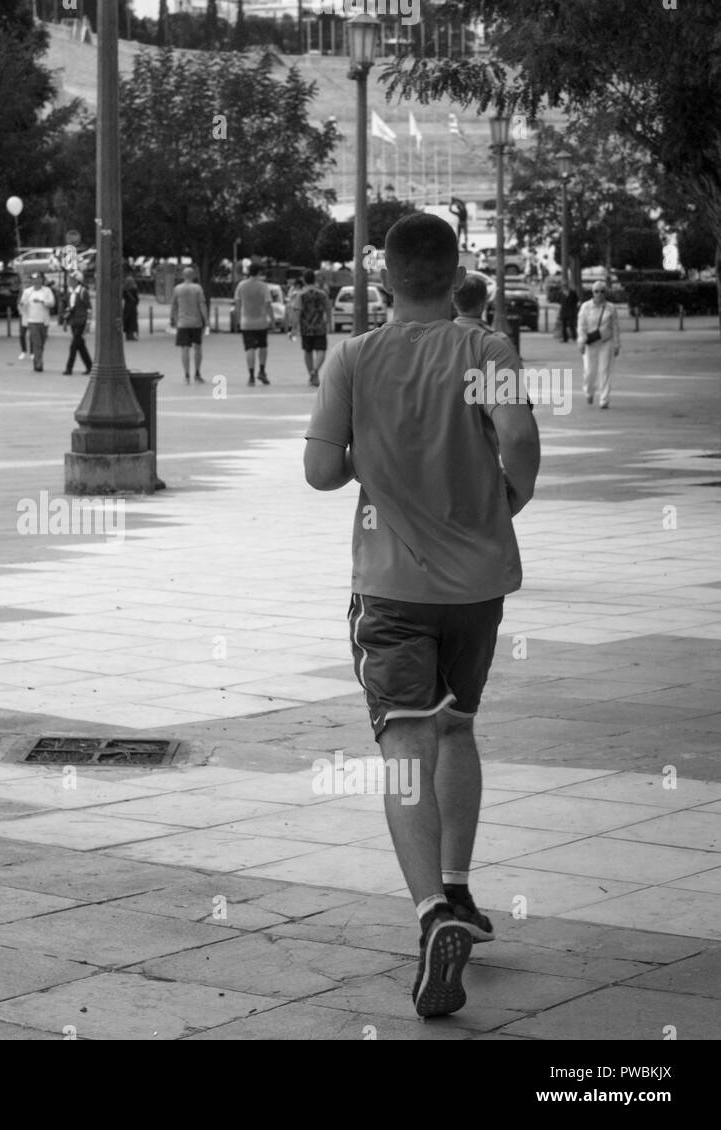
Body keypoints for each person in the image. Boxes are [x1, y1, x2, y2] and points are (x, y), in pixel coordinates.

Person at [303, 213, 541, 1019]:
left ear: (385, 275)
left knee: (405, 742)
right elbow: (520, 438)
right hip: (477, 583)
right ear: (454, 272)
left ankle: (431, 915)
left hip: (390, 585)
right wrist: (511, 498)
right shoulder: (487, 351)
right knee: (458, 728)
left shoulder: (355, 357)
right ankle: (460, 889)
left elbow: (318, 470)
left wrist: (368, 460)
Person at [577, 281, 620, 408]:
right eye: (596, 291)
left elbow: (615, 327)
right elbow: (581, 325)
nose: (599, 294)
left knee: (604, 371)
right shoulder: (585, 307)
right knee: (590, 372)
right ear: (592, 293)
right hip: (590, 343)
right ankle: (589, 391)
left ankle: (604, 399)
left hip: (606, 342)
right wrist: (581, 341)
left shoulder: (611, 308)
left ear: (605, 293)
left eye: (602, 291)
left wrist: (617, 344)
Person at [233, 262, 274, 386]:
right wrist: (271, 319)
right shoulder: (263, 286)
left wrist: (237, 320)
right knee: (263, 347)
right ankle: (262, 370)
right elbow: (268, 304)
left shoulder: (241, 285)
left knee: (249, 349)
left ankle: (251, 376)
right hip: (261, 322)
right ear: (259, 273)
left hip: (246, 322)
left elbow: (238, 304)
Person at [169, 266, 207, 384]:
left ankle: (186, 375)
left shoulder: (177, 289)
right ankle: (197, 373)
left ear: (183, 276)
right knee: (198, 348)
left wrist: (174, 319)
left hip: (183, 323)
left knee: (184, 349)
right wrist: (206, 320)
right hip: (196, 323)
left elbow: (174, 306)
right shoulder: (197, 288)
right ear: (193, 276)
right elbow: (202, 305)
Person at [298, 269, 332, 387]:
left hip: (305, 328)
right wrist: (329, 322)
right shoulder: (322, 294)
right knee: (321, 351)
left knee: (308, 351)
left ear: (304, 280)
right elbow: (328, 309)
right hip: (320, 327)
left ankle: (311, 374)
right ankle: (315, 371)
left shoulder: (300, 295)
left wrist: (294, 327)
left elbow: (298, 311)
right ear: (314, 279)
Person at [19, 272, 57, 372]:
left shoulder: (47, 291)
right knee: (37, 343)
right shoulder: (27, 292)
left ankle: (37, 361)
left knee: (42, 343)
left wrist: (43, 301)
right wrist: (23, 303)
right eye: (34, 279)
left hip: (44, 321)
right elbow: (22, 304)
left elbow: (52, 303)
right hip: (32, 320)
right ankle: (39, 364)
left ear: (42, 280)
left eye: (39, 279)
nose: (36, 281)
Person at [61, 271, 92, 375]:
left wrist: (88, 324)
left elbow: (89, 309)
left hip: (81, 322)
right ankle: (90, 366)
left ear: (77, 281)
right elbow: (69, 307)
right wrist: (66, 319)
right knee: (80, 345)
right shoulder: (70, 292)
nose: (69, 281)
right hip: (73, 322)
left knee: (73, 346)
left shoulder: (83, 292)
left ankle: (69, 368)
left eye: (71, 279)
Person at [122, 269, 140, 340]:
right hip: (132, 306)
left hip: (127, 306)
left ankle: (128, 335)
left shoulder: (125, 290)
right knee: (132, 321)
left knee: (127, 320)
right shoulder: (134, 289)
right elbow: (137, 299)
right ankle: (131, 335)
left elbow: (123, 296)